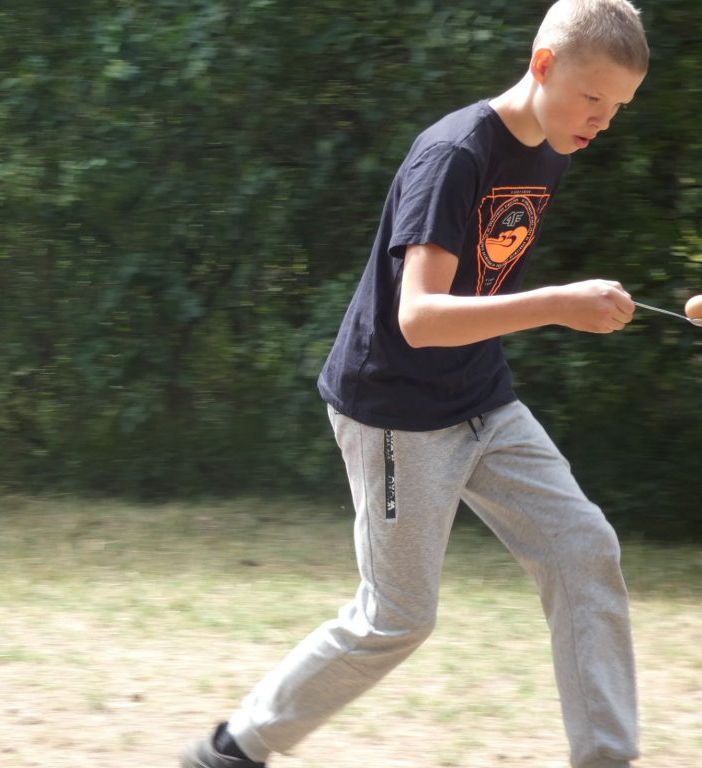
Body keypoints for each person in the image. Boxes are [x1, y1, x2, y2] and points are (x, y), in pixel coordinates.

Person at [180, 2, 649, 767]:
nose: (602, 120)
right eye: (592, 98)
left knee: (583, 548)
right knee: (397, 617)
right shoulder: (456, 154)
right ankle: (234, 749)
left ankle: (606, 759)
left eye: (618, 107)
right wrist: (559, 305)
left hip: (480, 397)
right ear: (543, 66)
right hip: (396, 409)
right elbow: (420, 317)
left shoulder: (552, 148)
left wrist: (563, 305)